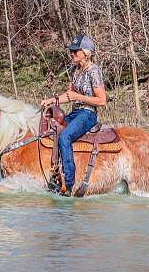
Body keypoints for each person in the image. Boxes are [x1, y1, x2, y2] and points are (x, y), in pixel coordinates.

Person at [41, 35, 107, 196]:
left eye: (75, 51)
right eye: (71, 51)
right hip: (76, 112)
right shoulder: (76, 70)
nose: (71, 53)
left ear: (86, 53)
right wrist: (52, 101)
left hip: (88, 114)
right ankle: (54, 173)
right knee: (53, 129)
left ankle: (68, 184)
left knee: (65, 137)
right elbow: (69, 95)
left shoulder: (94, 71)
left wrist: (80, 97)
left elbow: (102, 100)